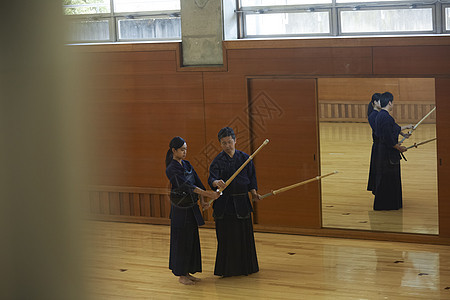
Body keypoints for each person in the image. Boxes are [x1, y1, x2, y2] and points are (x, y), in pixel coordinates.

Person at [165, 136, 219, 285]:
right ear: (174, 150)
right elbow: (186, 186)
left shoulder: (187, 164)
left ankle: (188, 272)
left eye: (186, 149)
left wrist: (203, 201)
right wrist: (208, 194)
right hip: (180, 210)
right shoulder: (171, 168)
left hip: (191, 208)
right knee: (181, 241)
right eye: (182, 149)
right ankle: (181, 275)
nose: (185, 152)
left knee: (191, 240)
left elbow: (197, 181)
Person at [208, 127, 260, 277]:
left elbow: (252, 179)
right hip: (225, 204)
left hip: (242, 202)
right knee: (227, 238)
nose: (227, 145)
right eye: (224, 143)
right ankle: (228, 270)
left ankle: (246, 268)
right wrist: (216, 182)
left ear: (235, 141)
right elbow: (211, 179)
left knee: (244, 236)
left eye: (229, 142)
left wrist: (254, 193)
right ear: (220, 144)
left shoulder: (245, 158)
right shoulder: (217, 161)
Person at [373, 92, 413, 210]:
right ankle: (387, 204)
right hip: (387, 154)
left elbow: (392, 129)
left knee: (386, 178)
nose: (393, 104)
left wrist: (404, 133)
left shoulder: (381, 116)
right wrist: (398, 147)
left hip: (384, 151)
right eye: (393, 102)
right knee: (388, 178)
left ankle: (387, 204)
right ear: (389, 102)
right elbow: (387, 137)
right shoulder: (385, 117)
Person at [367, 93, 382, 194]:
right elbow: (380, 130)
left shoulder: (380, 114)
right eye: (380, 101)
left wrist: (402, 133)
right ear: (375, 102)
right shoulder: (373, 116)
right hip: (378, 147)